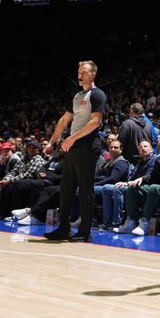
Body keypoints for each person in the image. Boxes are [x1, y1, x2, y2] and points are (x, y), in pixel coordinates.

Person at [43, 61, 106, 242]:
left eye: (84, 72)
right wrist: (51, 142)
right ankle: (63, 229)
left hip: (87, 146)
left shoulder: (98, 94)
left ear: (93, 74)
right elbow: (64, 121)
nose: (80, 75)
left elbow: (95, 122)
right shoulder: (77, 95)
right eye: (79, 72)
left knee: (86, 190)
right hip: (72, 147)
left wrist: (71, 138)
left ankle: (85, 232)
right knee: (66, 189)